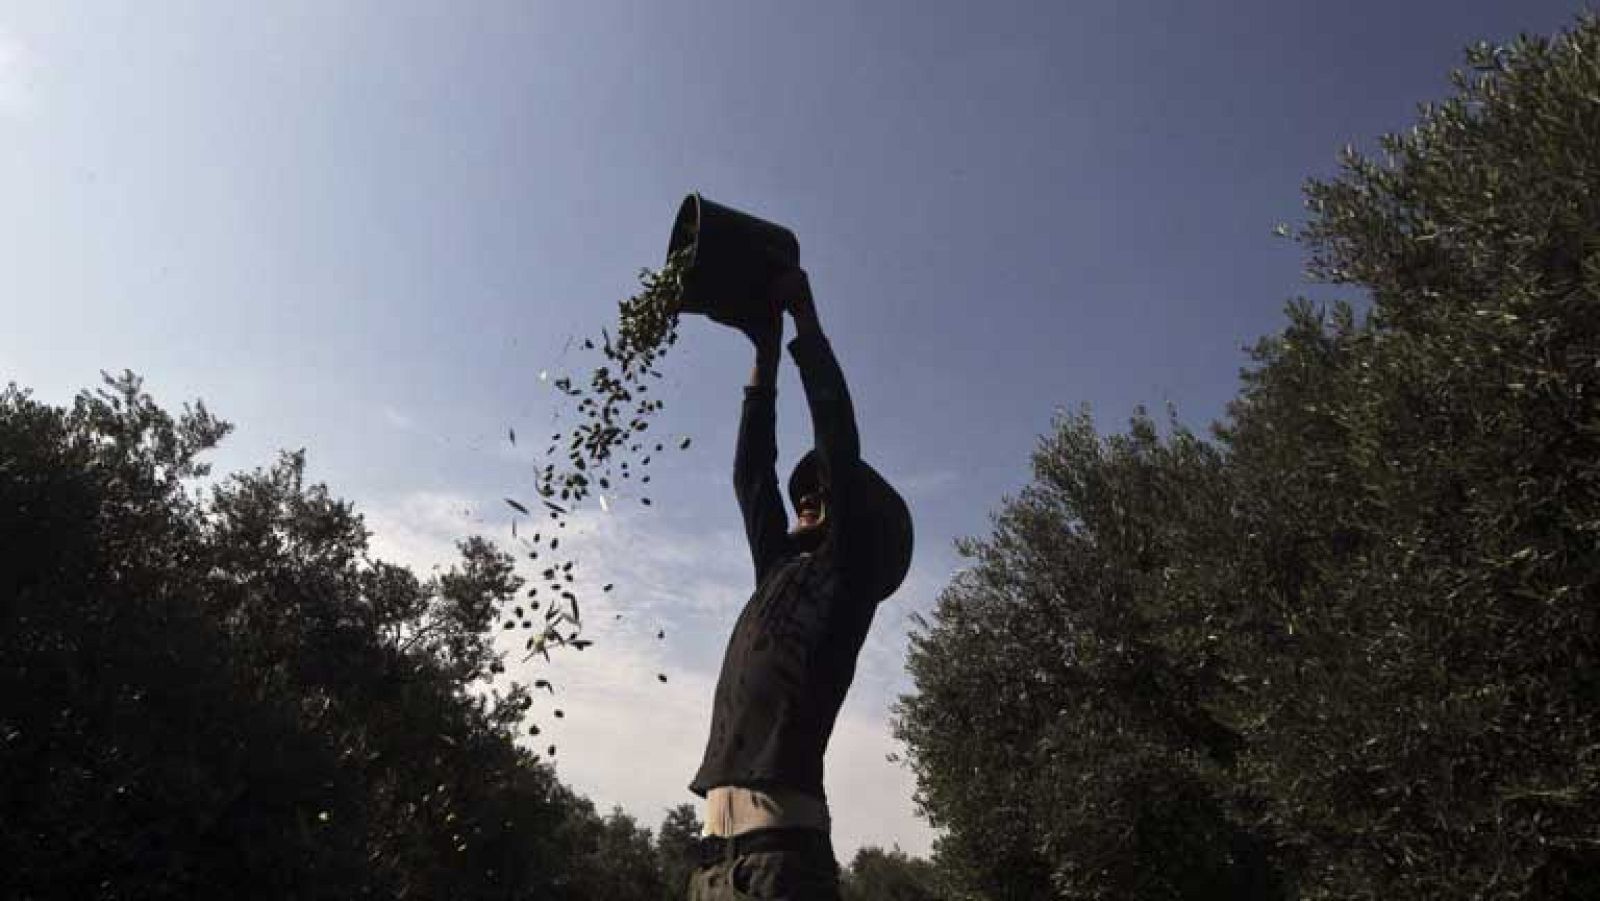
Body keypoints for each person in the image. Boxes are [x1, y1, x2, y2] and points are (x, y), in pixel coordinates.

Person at [686, 268, 914, 900]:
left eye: (823, 491)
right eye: (804, 489)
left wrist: (806, 324)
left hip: (781, 870)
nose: (809, 494)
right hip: (709, 869)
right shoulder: (778, 576)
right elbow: (752, 477)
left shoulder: (847, 580)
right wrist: (763, 352)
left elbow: (837, 444)